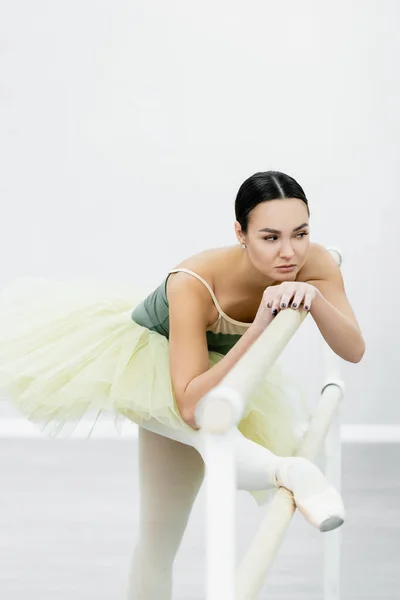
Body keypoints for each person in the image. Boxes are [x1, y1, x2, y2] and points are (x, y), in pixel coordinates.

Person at [0, 170, 365, 599]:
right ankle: (286, 470)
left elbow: (353, 349)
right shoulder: (192, 282)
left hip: (217, 371)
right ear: (240, 233)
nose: (289, 252)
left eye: (300, 233)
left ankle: (287, 470)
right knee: (173, 507)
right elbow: (190, 404)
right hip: (152, 365)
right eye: (270, 238)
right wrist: (261, 324)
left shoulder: (313, 261)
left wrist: (316, 299)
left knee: (161, 536)